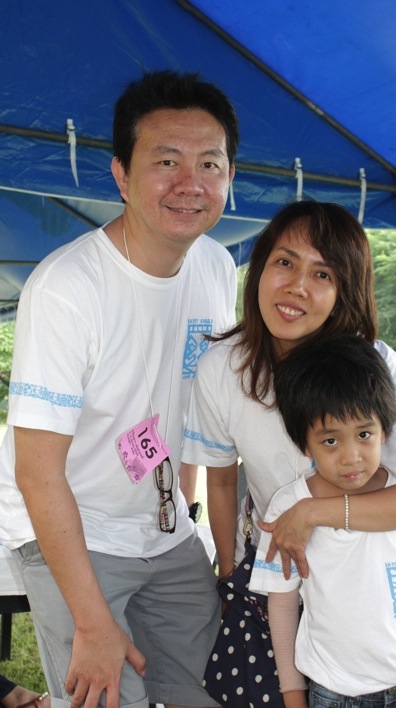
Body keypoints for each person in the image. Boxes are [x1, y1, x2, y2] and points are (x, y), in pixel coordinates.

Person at [0, 70, 239, 708]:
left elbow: (192, 411)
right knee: (107, 695)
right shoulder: (67, 289)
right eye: (166, 161)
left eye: (210, 164)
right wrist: (91, 622)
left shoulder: (217, 267)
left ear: (229, 177)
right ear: (122, 176)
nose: (190, 183)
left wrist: (183, 512)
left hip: (163, 527)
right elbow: (37, 472)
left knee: (218, 691)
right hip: (69, 527)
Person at [182, 199, 396, 583]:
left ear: (344, 291)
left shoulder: (374, 364)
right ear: (259, 267)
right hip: (272, 572)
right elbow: (223, 481)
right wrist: (229, 576)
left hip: (364, 580)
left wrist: (312, 512)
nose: (297, 287)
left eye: (323, 274)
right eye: (285, 262)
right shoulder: (222, 367)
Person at [250, 333, 396, 708]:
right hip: (337, 697)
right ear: (304, 443)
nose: (351, 457)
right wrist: (294, 698)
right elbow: (282, 607)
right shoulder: (288, 508)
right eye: (330, 441)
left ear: (385, 431)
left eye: (364, 434)